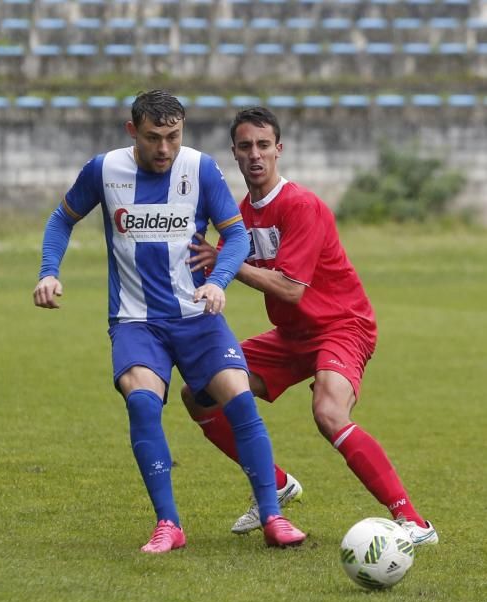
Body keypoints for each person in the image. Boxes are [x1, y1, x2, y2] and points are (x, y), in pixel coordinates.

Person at [33, 91, 306, 553]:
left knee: (239, 399)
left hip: (199, 317)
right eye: (154, 137)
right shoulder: (103, 170)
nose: (164, 149)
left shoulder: (199, 168)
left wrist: (219, 280)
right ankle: (169, 525)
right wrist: (48, 272)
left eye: (174, 137)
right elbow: (62, 219)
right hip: (135, 320)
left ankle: (273, 517)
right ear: (132, 131)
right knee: (141, 404)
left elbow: (235, 234)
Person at [182, 106, 438, 546]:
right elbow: (215, 267)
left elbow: (289, 289)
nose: (255, 155)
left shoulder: (301, 205)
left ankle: (414, 521)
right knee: (199, 393)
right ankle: (275, 483)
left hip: (343, 325)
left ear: (279, 150)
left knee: (328, 411)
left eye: (264, 145)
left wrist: (228, 261)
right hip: (290, 336)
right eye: (245, 147)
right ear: (235, 154)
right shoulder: (241, 213)